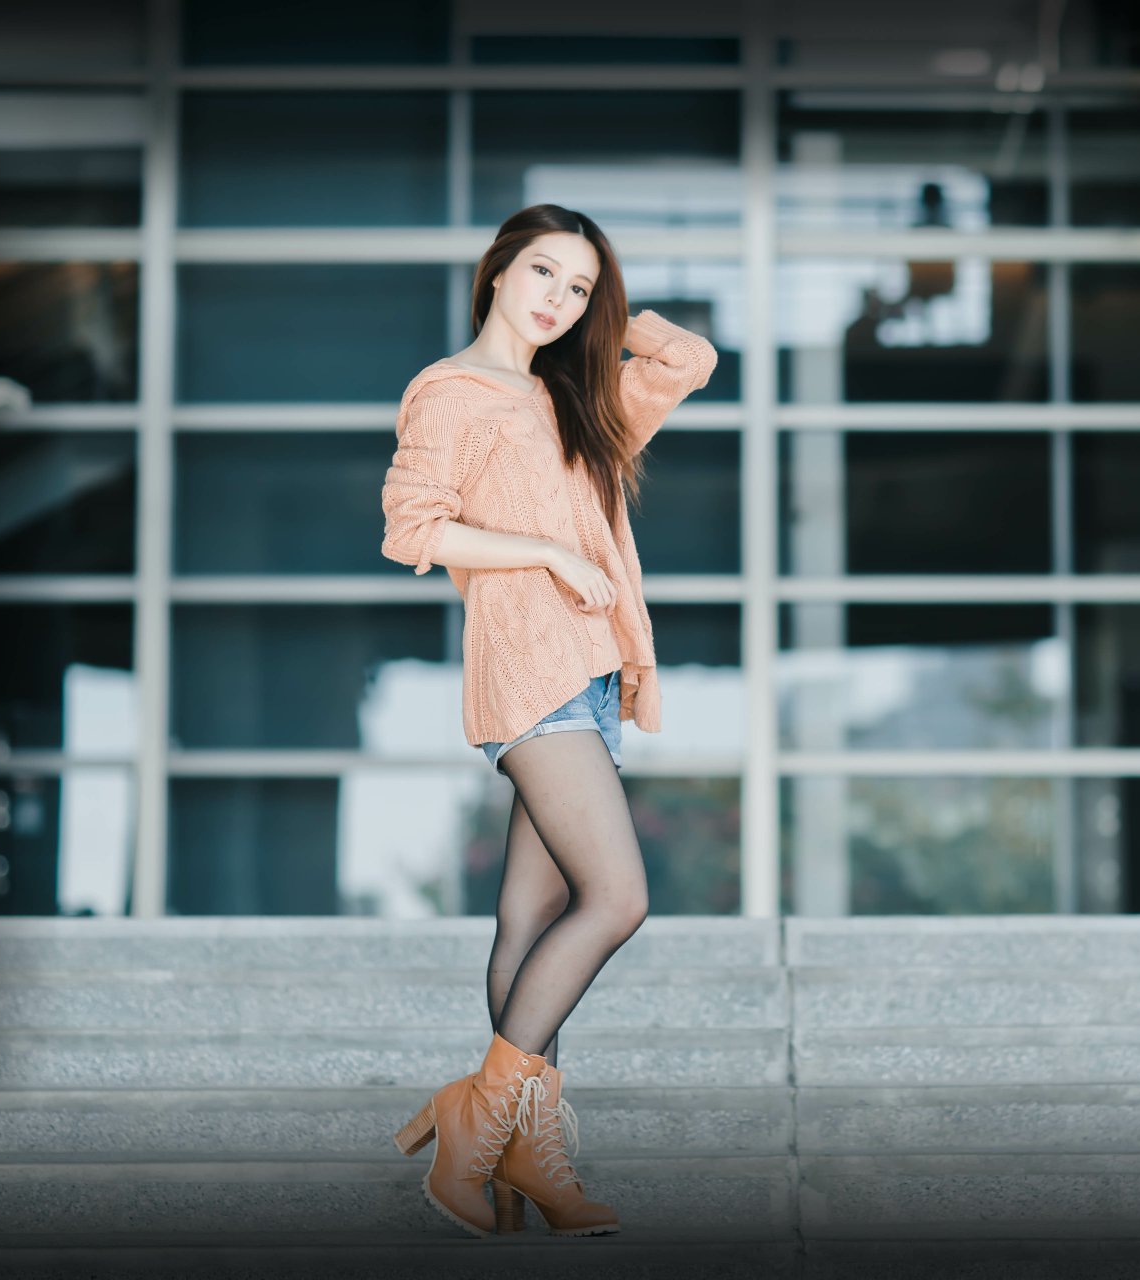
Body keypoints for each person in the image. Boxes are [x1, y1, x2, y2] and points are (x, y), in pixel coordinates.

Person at [379, 203, 717, 1238]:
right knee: (616, 896)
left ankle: (530, 1148)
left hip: (592, 676)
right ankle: (477, 1117)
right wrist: (548, 553)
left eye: (577, 288)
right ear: (496, 271)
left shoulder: (576, 398)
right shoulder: (451, 391)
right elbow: (412, 528)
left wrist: (611, 318)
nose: (557, 300)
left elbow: (690, 358)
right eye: (541, 272)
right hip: (529, 671)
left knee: (532, 917)